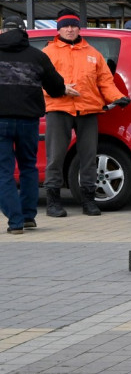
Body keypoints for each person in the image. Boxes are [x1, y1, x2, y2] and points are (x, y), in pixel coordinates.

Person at [42, 9, 131, 218]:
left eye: (73, 25)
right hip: (59, 108)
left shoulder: (93, 53)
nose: (70, 29)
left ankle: (89, 201)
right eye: (66, 26)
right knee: (55, 157)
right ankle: (53, 202)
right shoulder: (48, 53)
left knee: (89, 157)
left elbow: (105, 82)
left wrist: (117, 97)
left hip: (89, 110)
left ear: (79, 27)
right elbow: (39, 81)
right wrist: (61, 89)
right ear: (59, 29)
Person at [0, 16, 72, 235]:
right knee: (28, 167)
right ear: (25, 32)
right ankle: (29, 216)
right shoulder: (38, 56)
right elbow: (57, 88)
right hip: (29, 122)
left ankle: (15, 222)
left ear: (3, 31)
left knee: (3, 172)